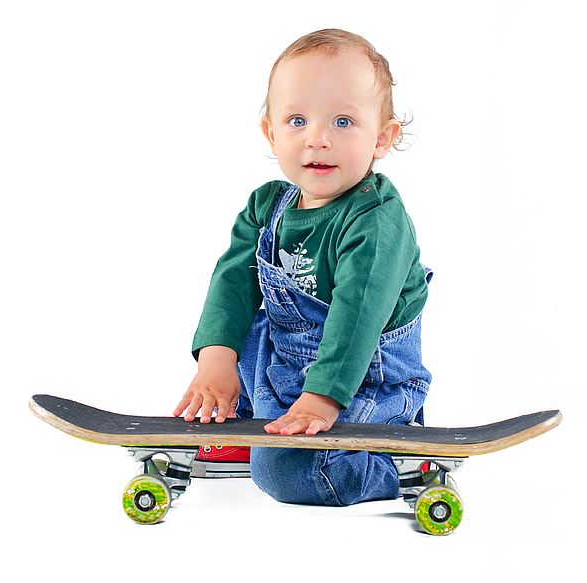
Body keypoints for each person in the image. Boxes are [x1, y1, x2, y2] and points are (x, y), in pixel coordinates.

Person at [173, 28, 433, 506]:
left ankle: (400, 462)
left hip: (361, 376)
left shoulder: (376, 222)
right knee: (246, 311)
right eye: (297, 120)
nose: (317, 138)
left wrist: (323, 398)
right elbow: (230, 283)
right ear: (271, 133)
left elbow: (357, 317)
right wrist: (217, 361)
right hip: (284, 364)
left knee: (287, 473)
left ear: (383, 137)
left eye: (342, 121)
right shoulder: (266, 206)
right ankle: (244, 419)